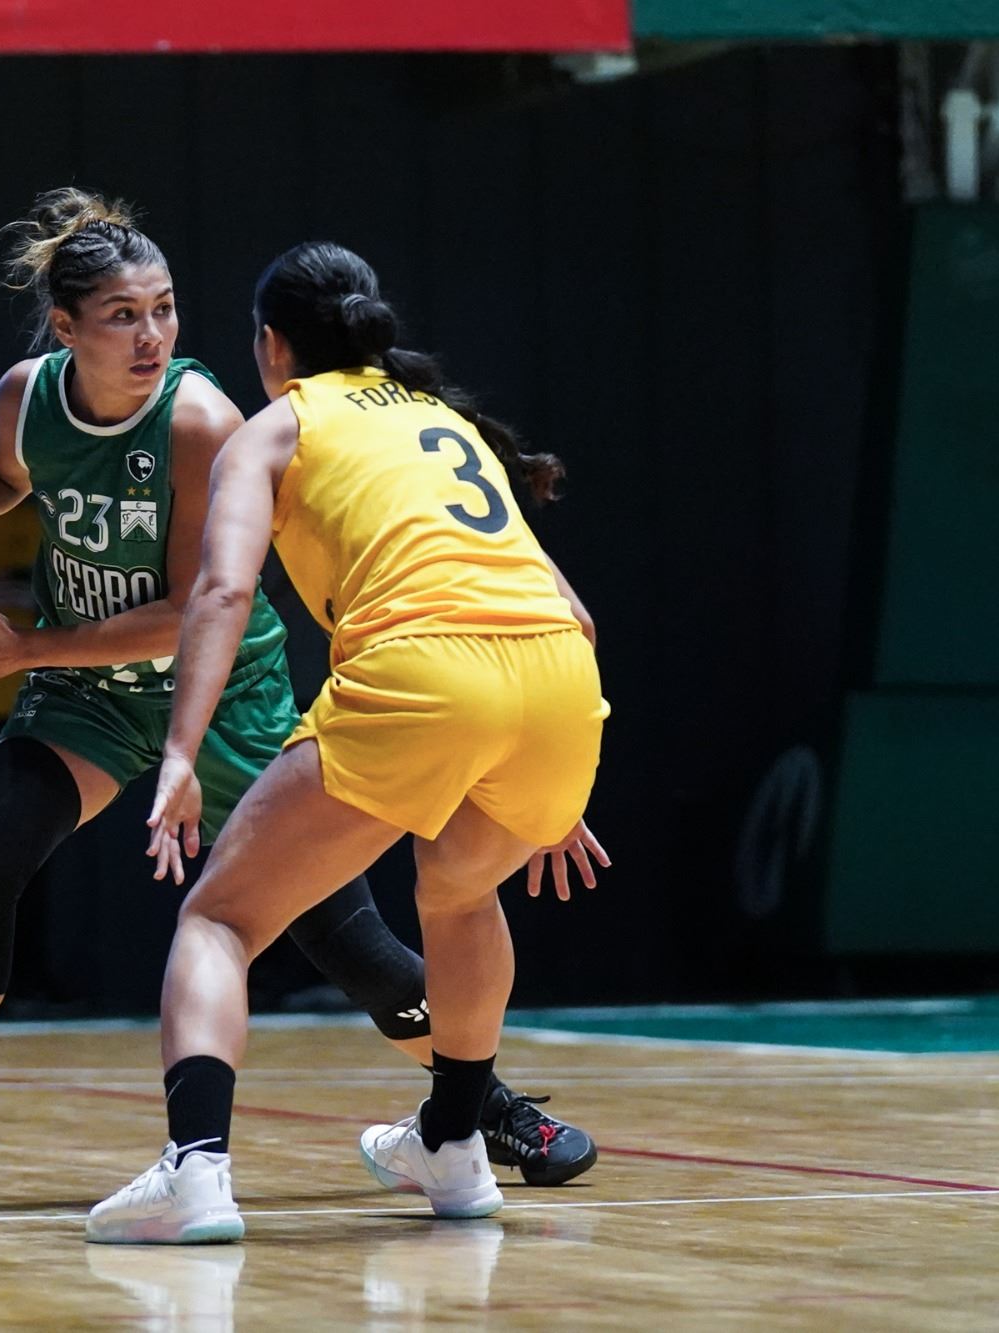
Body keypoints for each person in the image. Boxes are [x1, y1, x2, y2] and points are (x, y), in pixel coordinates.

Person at [0, 191, 593, 1214]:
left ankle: (478, 1104)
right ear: (65, 328)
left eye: (164, 309)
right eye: (123, 315)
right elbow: (1, 476)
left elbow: (194, 610)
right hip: (89, 690)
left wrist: (22, 648)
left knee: (345, 941)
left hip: (217, 691)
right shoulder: (26, 397)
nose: (152, 334)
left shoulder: (204, 421)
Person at [87, 242, 610, 1244]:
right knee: (460, 893)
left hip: (424, 671)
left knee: (219, 919)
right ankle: (451, 1143)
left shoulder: (274, 430)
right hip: (558, 685)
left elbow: (222, 592)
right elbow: (572, 613)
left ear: (271, 345)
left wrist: (181, 752)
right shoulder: (440, 416)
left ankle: (195, 1171)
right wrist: (554, 775)